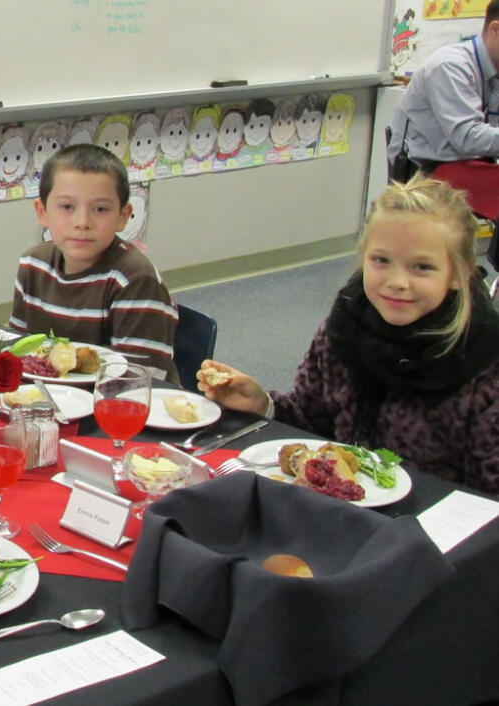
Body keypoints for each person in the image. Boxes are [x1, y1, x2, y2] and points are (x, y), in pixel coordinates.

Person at [198, 176, 499, 495]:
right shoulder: (345, 328)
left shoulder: (483, 367)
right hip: (340, 514)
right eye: (381, 260)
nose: (397, 281)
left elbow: (489, 500)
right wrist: (264, 405)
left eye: (421, 267)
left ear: (460, 273)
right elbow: (313, 421)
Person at [10, 144, 179, 381]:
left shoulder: (134, 279)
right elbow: (19, 349)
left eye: (100, 209)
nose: (82, 222)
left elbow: (138, 379)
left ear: (122, 216)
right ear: (42, 212)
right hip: (53, 395)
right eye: (67, 207)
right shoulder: (33, 265)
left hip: (121, 402)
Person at [387, 0, 499, 220]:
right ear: (496, 29)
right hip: (427, 170)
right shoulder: (451, 66)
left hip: (467, 162)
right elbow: (468, 138)